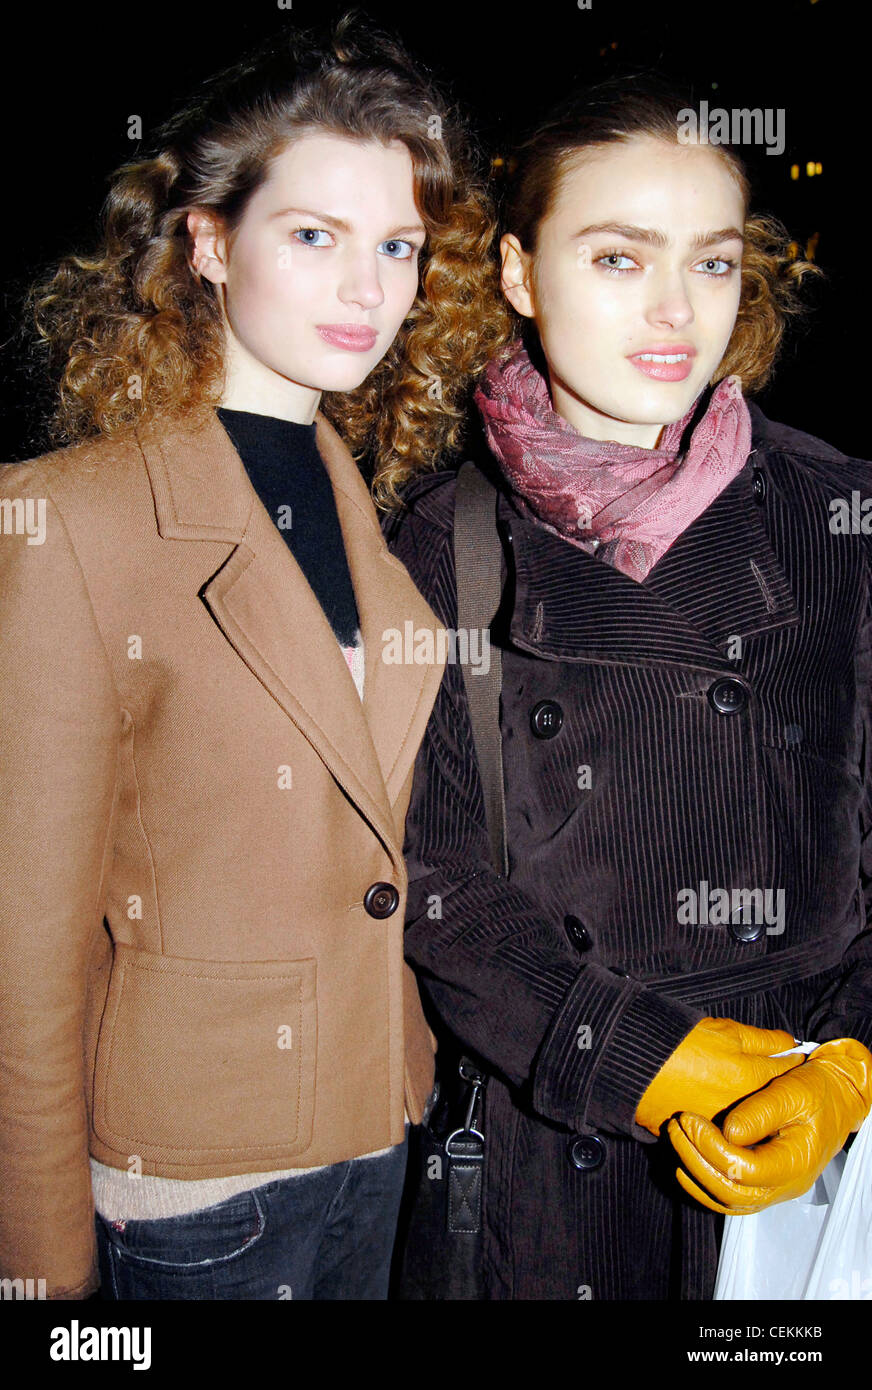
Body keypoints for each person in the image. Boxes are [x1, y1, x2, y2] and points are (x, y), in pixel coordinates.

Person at [0, 14, 509, 1300]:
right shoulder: (70, 518)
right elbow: (23, 948)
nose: (367, 289)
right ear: (210, 242)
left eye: (396, 245)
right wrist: (42, 1276)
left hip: (375, 1121)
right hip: (192, 1183)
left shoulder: (378, 516)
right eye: (314, 236)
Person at [383, 77, 872, 1300]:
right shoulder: (437, 546)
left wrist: (851, 1065)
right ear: (517, 273)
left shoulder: (834, 514)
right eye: (616, 258)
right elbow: (424, 879)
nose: (673, 313)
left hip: (812, 1146)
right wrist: (642, 1059)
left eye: (709, 265)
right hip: (560, 1163)